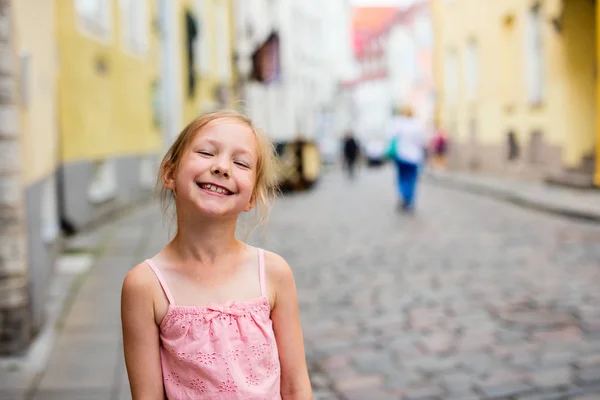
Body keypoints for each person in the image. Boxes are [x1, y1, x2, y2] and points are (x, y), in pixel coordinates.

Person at [121, 110, 312, 399]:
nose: (223, 167)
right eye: (207, 152)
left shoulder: (273, 274)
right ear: (170, 173)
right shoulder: (146, 286)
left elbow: (296, 387)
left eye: (241, 162)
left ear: (251, 198)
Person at [386, 106, 426, 212]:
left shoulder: (399, 124)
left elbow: (392, 137)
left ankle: (404, 197)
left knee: (402, 178)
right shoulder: (417, 125)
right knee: (411, 180)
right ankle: (410, 201)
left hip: (401, 156)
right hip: (414, 158)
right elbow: (421, 142)